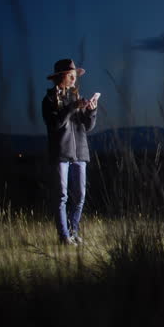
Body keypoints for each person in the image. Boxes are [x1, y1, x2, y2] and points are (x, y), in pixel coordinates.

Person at [42, 59, 98, 245]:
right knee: (61, 196)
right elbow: (55, 124)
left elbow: (88, 126)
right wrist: (72, 107)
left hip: (80, 153)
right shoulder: (49, 100)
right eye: (71, 74)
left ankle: (73, 232)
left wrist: (91, 111)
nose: (75, 77)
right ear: (61, 77)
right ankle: (64, 237)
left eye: (75, 74)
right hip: (61, 153)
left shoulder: (76, 98)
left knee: (80, 195)